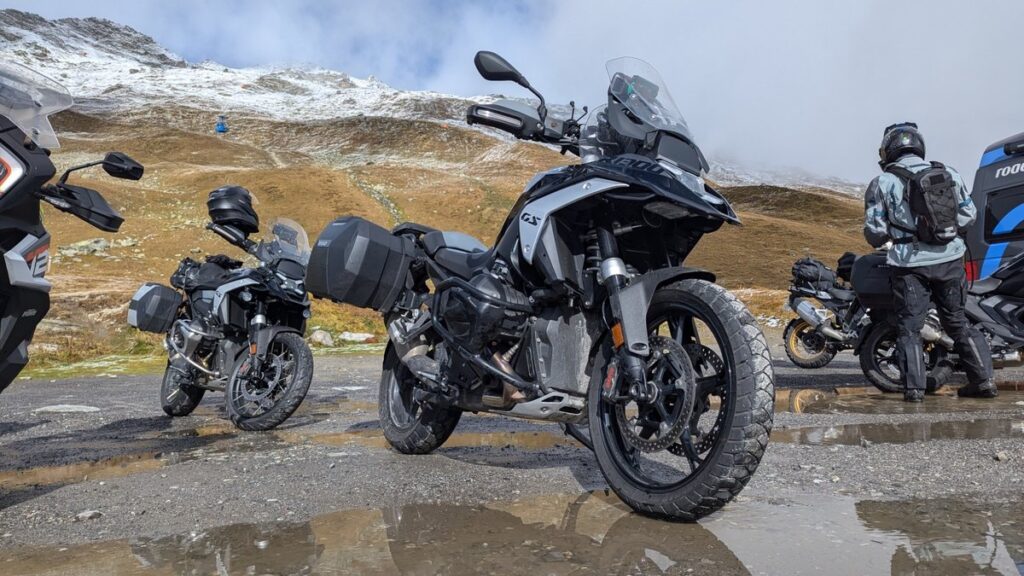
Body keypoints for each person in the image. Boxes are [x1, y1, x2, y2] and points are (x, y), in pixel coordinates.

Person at [863, 122, 995, 402]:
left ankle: (914, 390)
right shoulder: (948, 173)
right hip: (951, 260)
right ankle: (983, 382)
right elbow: (968, 216)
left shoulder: (883, 182)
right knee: (957, 322)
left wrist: (896, 233)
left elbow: (874, 232)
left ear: (889, 151)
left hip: (909, 265)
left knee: (909, 326)